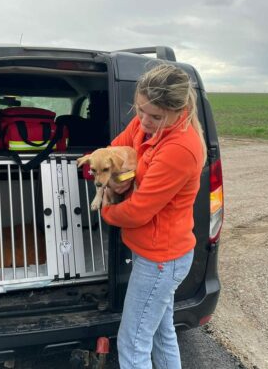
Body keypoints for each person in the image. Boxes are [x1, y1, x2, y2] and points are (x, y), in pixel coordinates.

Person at [101, 63, 207, 369]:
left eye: (155, 116)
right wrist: (102, 167)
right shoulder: (146, 123)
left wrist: (105, 208)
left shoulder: (180, 149)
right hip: (158, 255)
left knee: (132, 342)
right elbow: (116, 148)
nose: (144, 121)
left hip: (162, 260)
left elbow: (138, 211)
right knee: (163, 333)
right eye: (140, 110)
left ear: (181, 109)